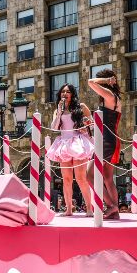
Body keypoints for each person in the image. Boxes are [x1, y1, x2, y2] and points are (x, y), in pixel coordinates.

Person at [46, 83, 94, 216]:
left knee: (80, 178)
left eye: (67, 92)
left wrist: (86, 125)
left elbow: (92, 125)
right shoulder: (58, 109)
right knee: (66, 179)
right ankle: (68, 208)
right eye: (62, 92)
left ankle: (89, 209)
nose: (64, 94)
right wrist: (59, 111)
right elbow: (54, 128)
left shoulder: (81, 107)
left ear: (72, 94)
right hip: (64, 144)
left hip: (78, 142)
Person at [86, 68, 122, 219]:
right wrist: (93, 124)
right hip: (111, 138)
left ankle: (111, 206)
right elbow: (109, 121)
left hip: (106, 140)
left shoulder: (109, 95)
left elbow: (89, 82)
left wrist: (105, 81)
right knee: (108, 178)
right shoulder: (116, 98)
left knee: (89, 176)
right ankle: (116, 213)